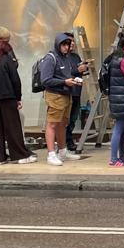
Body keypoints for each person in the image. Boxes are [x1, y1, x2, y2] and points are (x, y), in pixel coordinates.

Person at [0, 27, 35, 164]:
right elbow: (15, 80)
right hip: (7, 95)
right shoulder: (7, 59)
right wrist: (18, 98)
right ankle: (19, 156)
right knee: (13, 127)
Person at [38, 32, 87, 167]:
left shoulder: (66, 58)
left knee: (62, 124)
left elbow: (68, 74)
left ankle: (63, 151)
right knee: (52, 123)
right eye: (64, 45)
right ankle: (51, 154)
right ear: (58, 45)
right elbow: (45, 80)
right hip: (55, 95)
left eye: (68, 44)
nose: (67, 47)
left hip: (67, 94)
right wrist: (64, 82)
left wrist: (74, 80)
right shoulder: (51, 58)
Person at [102, 36, 124, 167]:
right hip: (121, 98)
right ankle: (113, 158)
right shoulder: (122, 60)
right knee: (119, 128)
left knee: (123, 129)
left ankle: (122, 156)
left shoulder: (114, 58)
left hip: (118, 97)